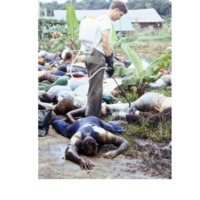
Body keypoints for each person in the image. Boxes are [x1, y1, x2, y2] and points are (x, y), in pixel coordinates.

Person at [85, 1, 128, 118]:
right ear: (116, 10)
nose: (119, 18)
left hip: (89, 55)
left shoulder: (99, 19)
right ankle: (92, 118)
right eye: (121, 15)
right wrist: (110, 61)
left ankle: (93, 114)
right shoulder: (106, 21)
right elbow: (105, 43)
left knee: (93, 87)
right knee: (96, 89)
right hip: (97, 56)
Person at [65, 122, 129, 170]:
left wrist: (116, 152)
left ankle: (115, 122)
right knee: (63, 128)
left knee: (118, 130)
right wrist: (80, 160)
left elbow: (125, 142)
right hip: (78, 124)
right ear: (81, 148)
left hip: (94, 121)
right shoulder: (77, 138)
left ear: (97, 144)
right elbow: (69, 151)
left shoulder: (102, 135)